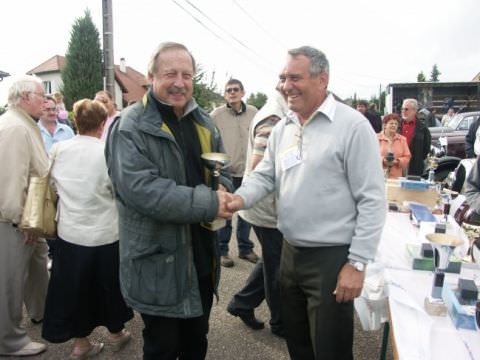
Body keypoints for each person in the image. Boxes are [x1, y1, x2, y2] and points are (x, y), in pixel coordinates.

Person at [227, 46, 386, 360]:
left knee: (330, 349)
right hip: (290, 253)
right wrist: (238, 197)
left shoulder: (352, 126)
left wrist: (356, 264)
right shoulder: (285, 126)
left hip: (331, 259)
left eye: (295, 77)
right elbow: (265, 174)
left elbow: (372, 200)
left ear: (322, 78)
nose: (286, 85)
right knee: (297, 342)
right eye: (284, 77)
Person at [105, 42, 233, 360]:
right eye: (170, 73)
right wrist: (211, 203)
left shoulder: (203, 121)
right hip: (157, 262)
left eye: (186, 74)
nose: (179, 82)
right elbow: (145, 192)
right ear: (151, 77)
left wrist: (225, 192)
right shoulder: (130, 126)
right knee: (162, 347)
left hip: (200, 257)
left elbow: (220, 170)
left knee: (196, 341)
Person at [41, 99, 133, 359]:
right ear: (103, 123)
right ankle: (116, 333)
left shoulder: (59, 149)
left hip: (70, 233)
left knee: (75, 288)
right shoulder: (107, 151)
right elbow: (118, 191)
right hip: (105, 233)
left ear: (74, 121)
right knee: (109, 286)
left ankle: (81, 344)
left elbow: (52, 187)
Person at [227, 91, 288, 337]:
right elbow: (259, 164)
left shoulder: (280, 110)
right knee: (278, 268)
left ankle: (241, 303)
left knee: (273, 261)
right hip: (267, 208)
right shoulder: (274, 116)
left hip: (269, 207)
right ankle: (280, 322)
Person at [0, 75, 48, 356]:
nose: (46, 100)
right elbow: (10, 180)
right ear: (25, 97)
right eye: (41, 95)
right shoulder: (15, 128)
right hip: (15, 220)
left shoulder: (23, 124)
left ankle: (41, 312)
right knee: (10, 280)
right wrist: (21, 222)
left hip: (29, 217)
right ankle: (10, 341)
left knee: (37, 266)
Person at [211, 79, 259, 267]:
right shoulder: (216, 115)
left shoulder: (255, 113)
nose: (232, 93)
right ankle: (223, 251)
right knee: (226, 213)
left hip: (248, 172)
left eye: (235, 89)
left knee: (247, 213)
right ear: (225, 94)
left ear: (243, 92)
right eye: (228, 90)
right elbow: (210, 141)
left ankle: (245, 249)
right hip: (227, 174)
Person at [399, 98, 431, 176]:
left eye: (406, 109)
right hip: (397, 163)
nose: (403, 111)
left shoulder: (423, 128)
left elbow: (426, 149)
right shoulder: (396, 125)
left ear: (414, 111)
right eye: (402, 109)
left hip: (414, 166)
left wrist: (417, 159)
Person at [378, 113, 411, 178]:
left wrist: (397, 161)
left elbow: (407, 157)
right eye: (391, 123)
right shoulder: (375, 138)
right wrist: (383, 160)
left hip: (396, 177)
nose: (394, 125)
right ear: (385, 125)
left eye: (396, 124)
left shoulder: (402, 139)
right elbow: (370, 156)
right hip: (378, 175)